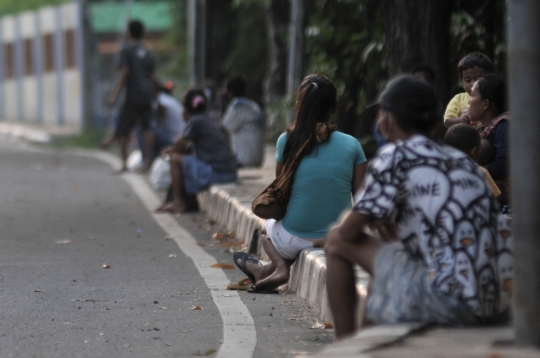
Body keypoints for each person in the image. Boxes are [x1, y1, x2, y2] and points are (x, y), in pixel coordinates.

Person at [325, 76, 513, 338]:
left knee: (335, 241)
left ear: (386, 121)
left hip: (448, 300)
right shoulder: (463, 163)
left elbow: (346, 233)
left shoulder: (395, 155)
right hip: (497, 300)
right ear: (436, 124)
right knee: (393, 253)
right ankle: (367, 340)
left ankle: (345, 345)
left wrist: (362, 218)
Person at [233, 74, 368, 293]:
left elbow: (281, 190)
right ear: (334, 108)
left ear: (299, 106)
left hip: (294, 239)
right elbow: (361, 198)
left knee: (266, 229)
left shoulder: (286, 140)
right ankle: (263, 271)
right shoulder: (352, 145)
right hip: (337, 236)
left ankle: (278, 268)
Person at [155, 88, 237, 214]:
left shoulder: (195, 121)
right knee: (184, 158)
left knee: (175, 159)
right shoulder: (207, 119)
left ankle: (178, 203)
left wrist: (185, 121)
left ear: (186, 109)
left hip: (217, 173)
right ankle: (181, 200)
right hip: (228, 172)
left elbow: (179, 144)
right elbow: (188, 147)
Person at [108, 20, 155, 173]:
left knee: (122, 129)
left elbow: (125, 72)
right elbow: (152, 76)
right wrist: (156, 97)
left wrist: (115, 95)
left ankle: (124, 163)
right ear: (142, 33)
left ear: (129, 32)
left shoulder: (126, 50)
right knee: (147, 128)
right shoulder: (147, 51)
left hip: (132, 97)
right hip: (147, 96)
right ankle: (147, 162)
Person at [468, 74, 510, 206]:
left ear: (485, 103)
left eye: (473, 95)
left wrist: (472, 171)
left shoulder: (504, 125)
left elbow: (504, 165)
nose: (469, 101)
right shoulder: (485, 129)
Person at [445, 124, 501, 198]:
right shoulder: (480, 172)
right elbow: (495, 197)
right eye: (480, 149)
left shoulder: (442, 171)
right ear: (474, 152)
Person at [135, 81, 185, 162]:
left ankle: (147, 161)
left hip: (174, 139)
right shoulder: (165, 98)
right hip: (176, 137)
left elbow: (144, 122)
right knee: (148, 128)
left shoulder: (158, 102)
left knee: (143, 128)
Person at [221, 76, 265, 167]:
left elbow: (223, 128)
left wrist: (223, 105)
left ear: (229, 92)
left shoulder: (237, 106)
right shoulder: (253, 105)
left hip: (244, 160)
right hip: (257, 160)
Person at [444, 52, 493, 129]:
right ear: (461, 81)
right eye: (468, 80)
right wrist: (460, 120)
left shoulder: (492, 98)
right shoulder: (458, 99)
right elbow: (447, 121)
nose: (473, 83)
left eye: (477, 79)